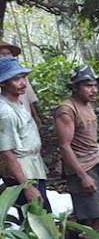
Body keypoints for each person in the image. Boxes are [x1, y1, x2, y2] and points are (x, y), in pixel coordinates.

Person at [54, 65, 99, 231]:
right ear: (75, 87)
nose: (94, 90)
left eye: (95, 85)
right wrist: (83, 176)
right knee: (96, 214)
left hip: (96, 163)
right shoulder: (67, 110)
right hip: (82, 166)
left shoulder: (87, 105)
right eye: (88, 86)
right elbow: (65, 146)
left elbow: (91, 141)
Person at [0, 56, 51, 215]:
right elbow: (7, 153)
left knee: (43, 215)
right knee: (37, 219)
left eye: (23, 77)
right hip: (23, 172)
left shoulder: (18, 102)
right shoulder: (5, 112)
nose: (23, 82)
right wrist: (26, 186)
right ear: (2, 83)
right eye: (16, 79)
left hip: (32, 167)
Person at [0, 40, 42, 128]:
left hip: (25, 118)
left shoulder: (20, 75)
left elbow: (28, 98)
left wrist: (35, 116)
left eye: (8, 53)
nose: (6, 56)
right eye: (2, 54)